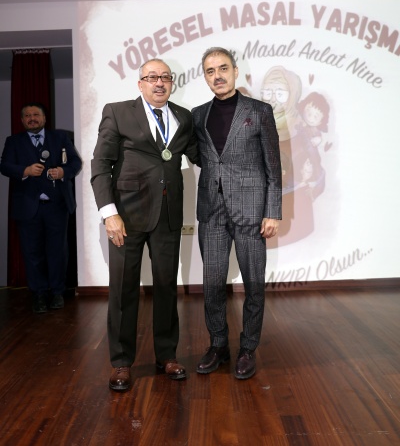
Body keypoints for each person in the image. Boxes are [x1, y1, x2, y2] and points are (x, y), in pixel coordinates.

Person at [90, 58, 198, 391]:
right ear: (140, 84)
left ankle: (167, 356)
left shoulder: (184, 117)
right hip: (126, 217)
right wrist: (109, 213)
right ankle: (121, 362)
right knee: (123, 289)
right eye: (152, 77)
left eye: (165, 77)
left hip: (168, 216)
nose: (159, 82)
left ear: (172, 83)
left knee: (166, 286)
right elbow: (100, 164)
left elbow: (201, 155)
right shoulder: (118, 112)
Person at [192, 47, 282, 380]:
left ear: (234, 70)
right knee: (212, 285)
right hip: (212, 212)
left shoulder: (259, 111)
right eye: (210, 70)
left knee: (254, 285)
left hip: (251, 212)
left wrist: (272, 211)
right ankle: (218, 345)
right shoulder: (197, 115)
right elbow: (202, 155)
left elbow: (273, 165)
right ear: (205, 76)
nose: (217, 75)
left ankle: (247, 349)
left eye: (222, 68)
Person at [0, 102, 82, 313]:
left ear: (44, 118)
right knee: (32, 253)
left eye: (36, 115)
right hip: (27, 207)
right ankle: (38, 294)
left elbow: (75, 162)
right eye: (27, 116)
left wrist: (63, 172)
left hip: (57, 206)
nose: (32, 118)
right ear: (22, 120)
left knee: (58, 252)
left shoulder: (60, 137)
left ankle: (57, 292)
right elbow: (4, 166)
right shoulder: (13, 141)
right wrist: (25, 170)